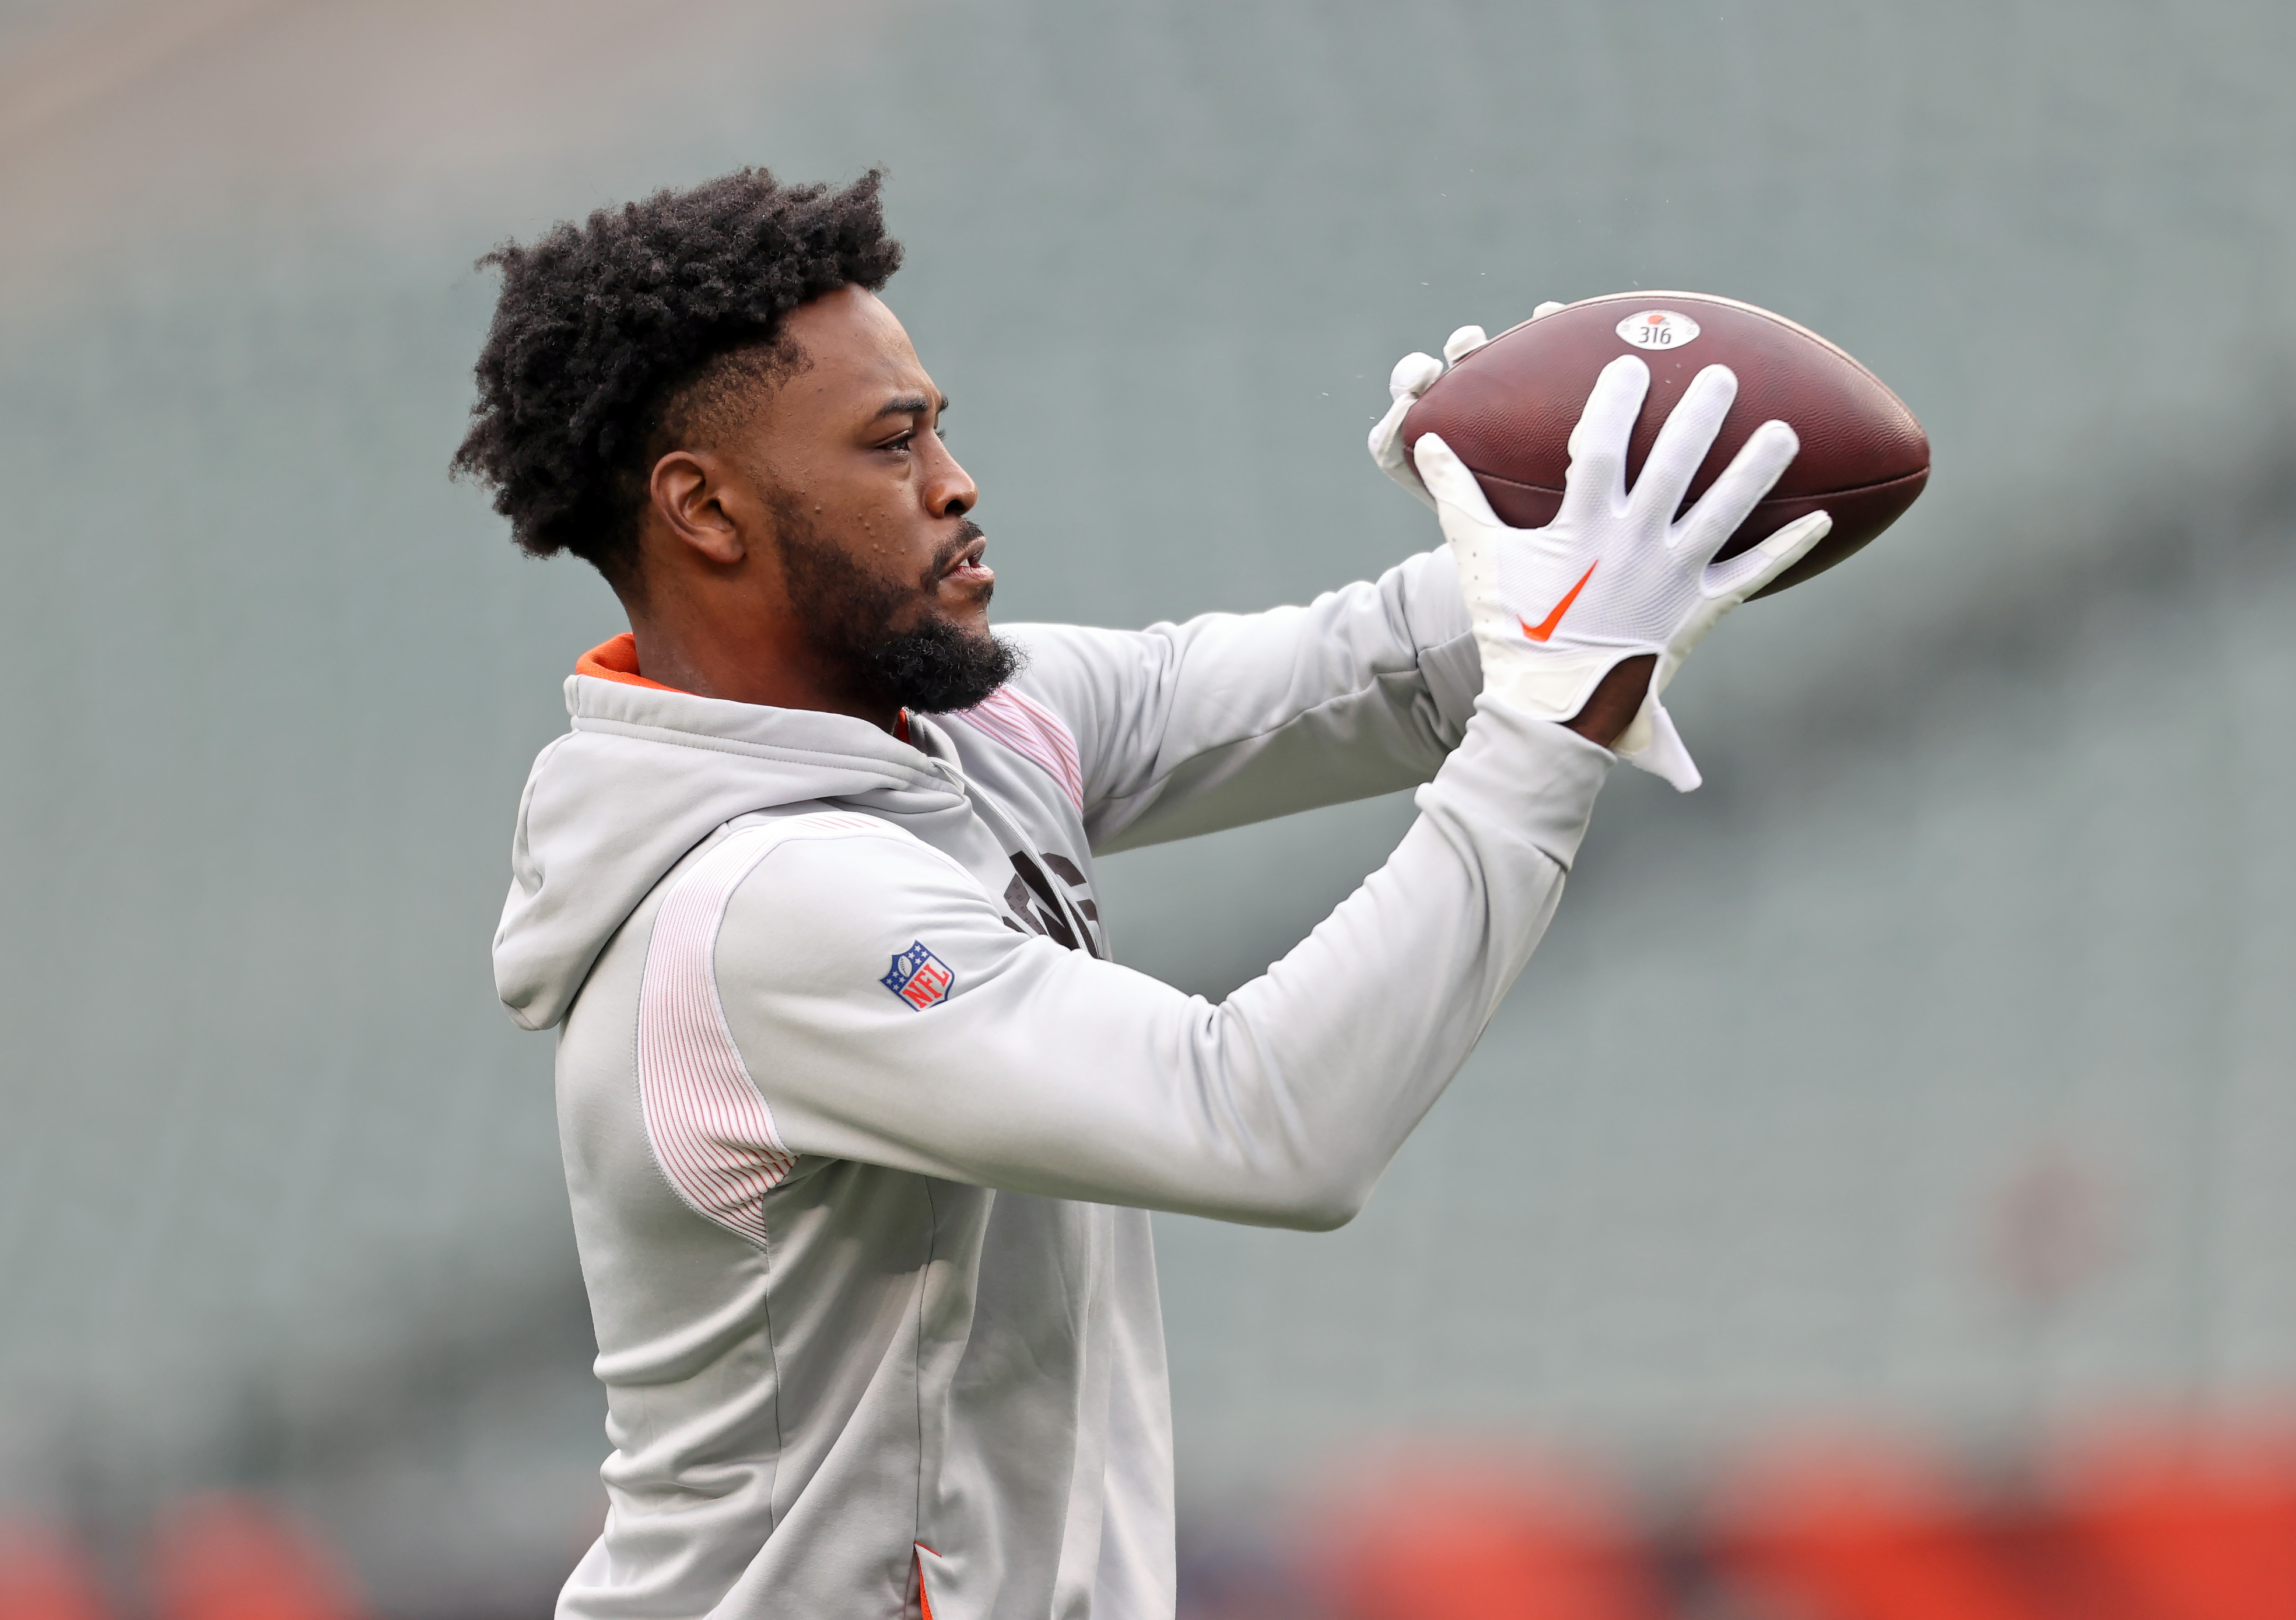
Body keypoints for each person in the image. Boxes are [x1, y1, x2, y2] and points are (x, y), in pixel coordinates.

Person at [460, 169, 1827, 1620]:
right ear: (705, 508)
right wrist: (1555, 716)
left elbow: (1375, 671)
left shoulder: (970, 723)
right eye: (890, 441)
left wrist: (1538, 527)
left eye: (940, 423)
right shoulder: (764, 910)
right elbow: (1265, 1123)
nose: (955, 479)